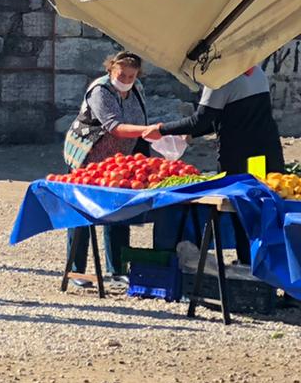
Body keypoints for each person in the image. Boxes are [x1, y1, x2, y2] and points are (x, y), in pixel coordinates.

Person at [146, 64, 284, 264]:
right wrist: (189, 134)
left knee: (242, 209)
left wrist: (161, 129)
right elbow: (225, 115)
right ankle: (267, 267)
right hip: (266, 153)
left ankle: (249, 266)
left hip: (239, 156)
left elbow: (200, 120)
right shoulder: (254, 71)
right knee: (265, 207)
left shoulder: (219, 78)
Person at [66, 51, 155, 280]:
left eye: (131, 76)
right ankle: (76, 270)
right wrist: (149, 131)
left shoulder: (137, 89)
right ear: (111, 70)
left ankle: (117, 268)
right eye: (121, 74)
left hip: (119, 159)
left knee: (118, 210)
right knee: (83, 211)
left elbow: (141, 119)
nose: (126, 79)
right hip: (88, 156)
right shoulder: (99, 90)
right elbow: (114, 126)